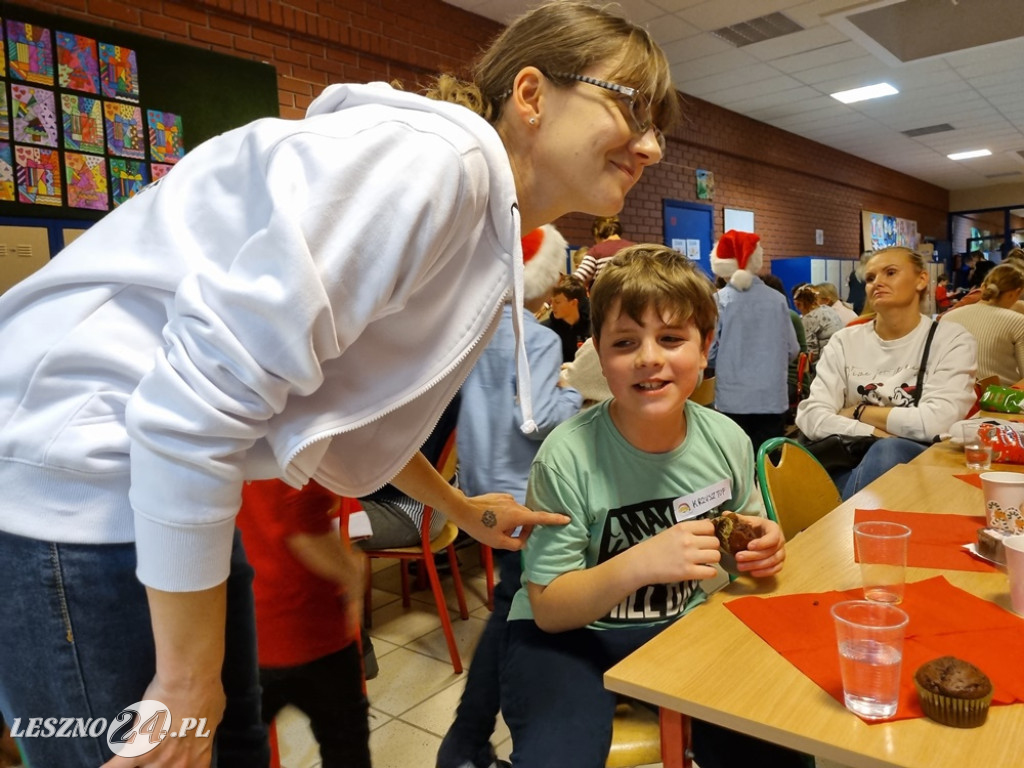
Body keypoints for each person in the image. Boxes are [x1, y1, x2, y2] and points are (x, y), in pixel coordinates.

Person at [0, 2, 679, 765]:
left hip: (158, 488)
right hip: (75, 481)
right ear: (530, 95)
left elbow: (342, 423)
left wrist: (461, 509)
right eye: (632, 109)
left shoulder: (478, 217)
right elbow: (190, 406)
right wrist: (187, 678)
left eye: (660, 126)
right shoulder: (436, 164)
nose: (651, 145)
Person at [500, 245, 803, 768]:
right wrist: (640, 563)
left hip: (682, 623)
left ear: (705, 345)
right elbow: (549, 608)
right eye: (624, 342)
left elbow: (740, 535)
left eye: (670, 338)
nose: (648, 358)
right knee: (559, 754)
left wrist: (760, 545)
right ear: (598, 354)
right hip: (570, 637)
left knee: (770, 742)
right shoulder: (566, 457)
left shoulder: (725, 440)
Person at [437, 225, 582, 768]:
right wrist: (573, 392)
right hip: (526, 492)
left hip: (482, 492)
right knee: (515, 608)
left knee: (511, 600)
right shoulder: (537, 338)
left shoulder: (470, 335)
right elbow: (537, 419)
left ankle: (471, 737)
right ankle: (468, 737)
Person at [795, 247, 977, 498]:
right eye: (870, 278)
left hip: (922, 465)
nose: (877, 283)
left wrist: (859, 411)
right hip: (850, 460)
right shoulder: (844, 341)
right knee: (883, 453)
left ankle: (844, 522)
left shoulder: (951, 339)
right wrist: (874, 433)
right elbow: (812, 415)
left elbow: (937, 421)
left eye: (890, 273)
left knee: (889, 453)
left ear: (921, 279)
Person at [235, 479, 369, 768]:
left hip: (243, 633)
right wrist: (353, 575)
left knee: (239, 751)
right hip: (315, 630)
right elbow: (305, 530)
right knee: (345, 749)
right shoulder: (295, 453)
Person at [708, 230, 799, 453]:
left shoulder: (719, 301)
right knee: (768, 459)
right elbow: (792, 349)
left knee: (735, 457)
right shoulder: (778, 299)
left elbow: (709, 353)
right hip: (772, 398)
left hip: (732, 400)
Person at [943, 264, 1024, 386]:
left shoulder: (947, 318)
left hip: (952, 393)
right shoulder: (1018, 322)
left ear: (983, 286)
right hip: (1000, 396)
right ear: (1015, 293)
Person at [571, 215, 635, 289]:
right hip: (632, 294)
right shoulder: (635, 249)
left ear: (596, 233)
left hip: (606, 295)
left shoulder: (595, 251)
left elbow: (578, 278)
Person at [543, 274, 592, 363]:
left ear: (573, 303)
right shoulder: (545, 331)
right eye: (552, 301)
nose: (553, 306)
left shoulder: (593, 328)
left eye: (557, 302)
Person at [794, 285, 844, 360]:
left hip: (827, 360)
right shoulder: (828, 309)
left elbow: (812, 354)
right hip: (842, 355)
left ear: (798, 304)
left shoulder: (809, 319)